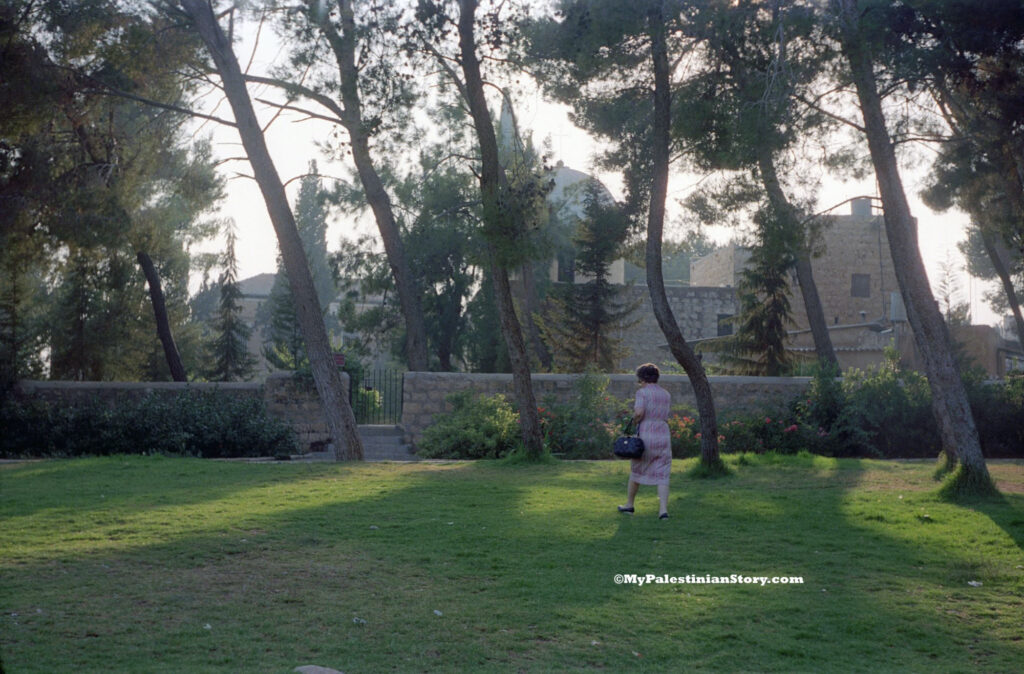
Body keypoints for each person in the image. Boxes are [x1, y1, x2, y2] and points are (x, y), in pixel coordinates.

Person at [618, 363, 672, 519]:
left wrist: (634, 420)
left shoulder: (642, 393)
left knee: (637, 469)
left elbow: (640, 412)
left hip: (647, 433)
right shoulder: (666, 394)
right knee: (663, 473)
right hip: (663, 433)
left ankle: (629, 504)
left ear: (642, 378)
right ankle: (663, 510)